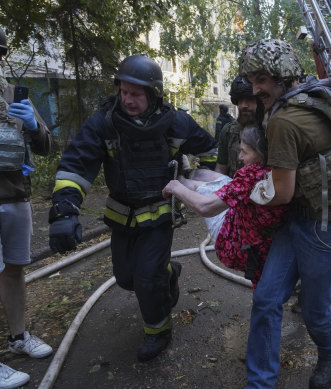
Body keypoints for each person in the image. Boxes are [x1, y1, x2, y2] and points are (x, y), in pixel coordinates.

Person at [47, 55, 216, 362]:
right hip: (121, 214)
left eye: (136, 94)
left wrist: (199, 181)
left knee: (147, 279)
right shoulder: (104, 123)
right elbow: (76, 165)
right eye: (124, 92)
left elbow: (209, 148)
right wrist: (64, 210)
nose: (128, 99)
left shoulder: (175, 122)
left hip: (159, 214)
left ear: (153, 94)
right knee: (127, 278)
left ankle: (158, 332)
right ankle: (169, 273)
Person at [239, 38, 331, 389]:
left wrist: (243, 196)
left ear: (282, 75)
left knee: (314, 309)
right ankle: (260, 383)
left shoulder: (285, 119)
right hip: (300, 220)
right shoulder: (312, 95)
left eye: (262, 79)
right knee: (266, 299)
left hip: (325, 227)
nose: (256, 87)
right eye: (253, 79)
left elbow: (282, 191)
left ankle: (330, 354)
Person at [163, 126, 287, 288]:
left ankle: (178, 179)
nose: (240, 157)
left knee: (204, 191)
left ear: (260, 153)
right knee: (222, 181)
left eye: (245, 151)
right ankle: (188, 173)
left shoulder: (250, 176)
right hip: (255, 228)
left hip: (231, 238)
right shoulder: (282, 170)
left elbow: (204, 207)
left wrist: (175, 187)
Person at [0, 26, 53, 388]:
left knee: (15, 270)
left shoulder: (10, 92)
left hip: (15, 196)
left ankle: (18, 338)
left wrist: (33, 127)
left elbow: (48, 145)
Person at [215, 76, 261, 177]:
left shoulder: (271, 130)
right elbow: (221, 169)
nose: (243, 105)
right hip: (233, 190)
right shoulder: (228, 131)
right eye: (240, 100)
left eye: (250, 99)